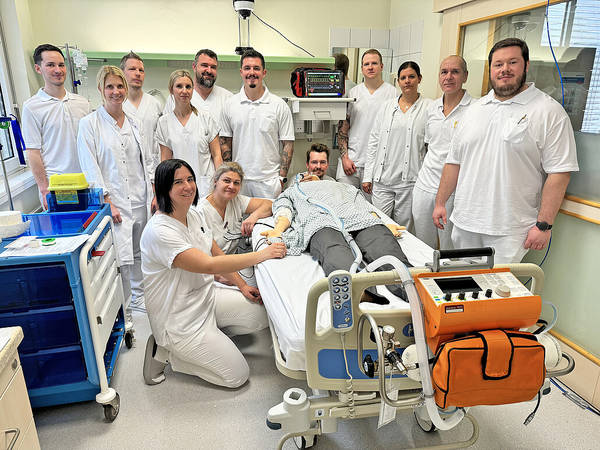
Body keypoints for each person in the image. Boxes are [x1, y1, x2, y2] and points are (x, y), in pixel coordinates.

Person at [141, 159, 286, 388]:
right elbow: (209, 265)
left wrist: (242, 285)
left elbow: (215, 251)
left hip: (205, 297)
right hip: (179, 319)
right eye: (178, 182)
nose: (188, 187)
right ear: (163, 188)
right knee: (237, 376)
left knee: (261, 315)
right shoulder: (160, 231)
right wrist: (262, 255)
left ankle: (210, 342)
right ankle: (167, 353)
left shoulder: (193, 215)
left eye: (190, 179)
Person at [433, 38, 578, 263]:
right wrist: (440, 203)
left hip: (509, 230)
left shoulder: (548, 111)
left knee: (497, 285)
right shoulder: (474, 110)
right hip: (465, 222)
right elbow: (454, 162)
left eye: (512, 62)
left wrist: (544, 225)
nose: (505, 69)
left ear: (526, 65)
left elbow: (559, 172)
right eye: (498, 64)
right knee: (464, 281)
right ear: (491, 69)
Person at [261, 170, 409, 301]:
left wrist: (379, 222)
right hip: (321, 221)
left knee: (384, 246)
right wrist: (278, 230)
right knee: (334, 251)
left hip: (359, 218)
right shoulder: (293, 191)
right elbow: (284, 211)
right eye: (303, 176)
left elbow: (363, 205)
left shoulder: (342, 186)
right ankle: (360, 293)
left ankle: (412, 287)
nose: (308, 177)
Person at [77, 65, 154, 313]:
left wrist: (153, 192)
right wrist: (107, 200)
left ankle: (139, 299)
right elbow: (90, 166)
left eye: (120, 86)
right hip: (114, 201)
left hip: (140, 197)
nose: (116, 91)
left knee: (139, 251)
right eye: (110, 86)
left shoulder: (134, 123)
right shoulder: (89, 124)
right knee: (118, 257)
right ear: (101, 89)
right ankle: (121, 307)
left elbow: (148, 160)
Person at [412, 56, 474, 249]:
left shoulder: (475, 110)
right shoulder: (432, 108)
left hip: (454, 190)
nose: (448, 77)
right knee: (422, 245)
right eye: (444, 72)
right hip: (425, 185)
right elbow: (430, 145)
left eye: (455, 72)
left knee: (449, 247)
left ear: (465, 76)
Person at [363, 61, 432, 229]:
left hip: (409, 182)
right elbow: (374, 141)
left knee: (404, 229)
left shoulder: (429, 107)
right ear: (398, 81)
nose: (407, 81)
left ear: (419, 79)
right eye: (403, 78)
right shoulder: (387, 107)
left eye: (411, 77)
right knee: (380, 226)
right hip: (383, 179)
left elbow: (431, 147)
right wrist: (368, 175)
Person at [22, 44, 91, 209]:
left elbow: (92, 143)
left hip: (86, 181)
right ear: (38, 69)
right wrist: (44, 189)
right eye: (51, 65)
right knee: (65, 224)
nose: (58, 70)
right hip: (56, 186)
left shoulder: (82, 103)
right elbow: (33, 152)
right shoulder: (32, 107)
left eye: (61, 65)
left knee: (94, 224)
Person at [220, 49, 295, 199]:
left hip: (269, 183)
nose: (251, 72)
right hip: (239, 181)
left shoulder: (279, 105)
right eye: (247, 68)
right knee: (238, 216)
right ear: (241, 72)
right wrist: (229, 175)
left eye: (256, 68)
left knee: (269, 216)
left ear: (264, 72)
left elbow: (288, 144)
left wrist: (281, 179)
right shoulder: (230, 105)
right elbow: (225, 142)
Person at [337, 49, 397, 195]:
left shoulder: (393, 94)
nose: (370, 67)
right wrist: (345, 158)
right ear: (362, 68)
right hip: (351, 162)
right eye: (366, 64)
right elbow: (342, 129)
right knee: (344, 202)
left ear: (381, 66)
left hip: (378, 166)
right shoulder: (353, 93)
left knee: (371, 207)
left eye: (374, 63)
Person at [156, 69, 222, 198]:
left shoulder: (206, 119)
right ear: (171, 90)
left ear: (192, 90)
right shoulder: (164, 123)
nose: (184, 91)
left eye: (188, 87)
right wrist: (163, 193)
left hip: (206, 187)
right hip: (178, 188)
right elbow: (165, 162)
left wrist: (219, 183)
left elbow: (217, 155)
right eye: (179, 86)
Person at [199, 162, 273, 255]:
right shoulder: (200, 211)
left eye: (236, 183)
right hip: (215, 261)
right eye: (227, 181)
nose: (231, 186)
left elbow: (269, 205)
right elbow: (217, 257)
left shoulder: (236, 200)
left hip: (232, 258)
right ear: (215, 181)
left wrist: (254, 216)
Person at [162, 49, 232, 125]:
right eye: (204, 65)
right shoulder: (176, 98)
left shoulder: (228, 98)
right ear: (194, 67)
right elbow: (166, 127)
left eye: (213, 67)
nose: (209, 71)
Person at [120, 51, 162, 174]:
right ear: (121, 73)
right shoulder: (118, 105)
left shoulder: (155, 104)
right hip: (126, 170)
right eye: (132, 69)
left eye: (141, 70)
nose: (138, 73)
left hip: (153, 170)